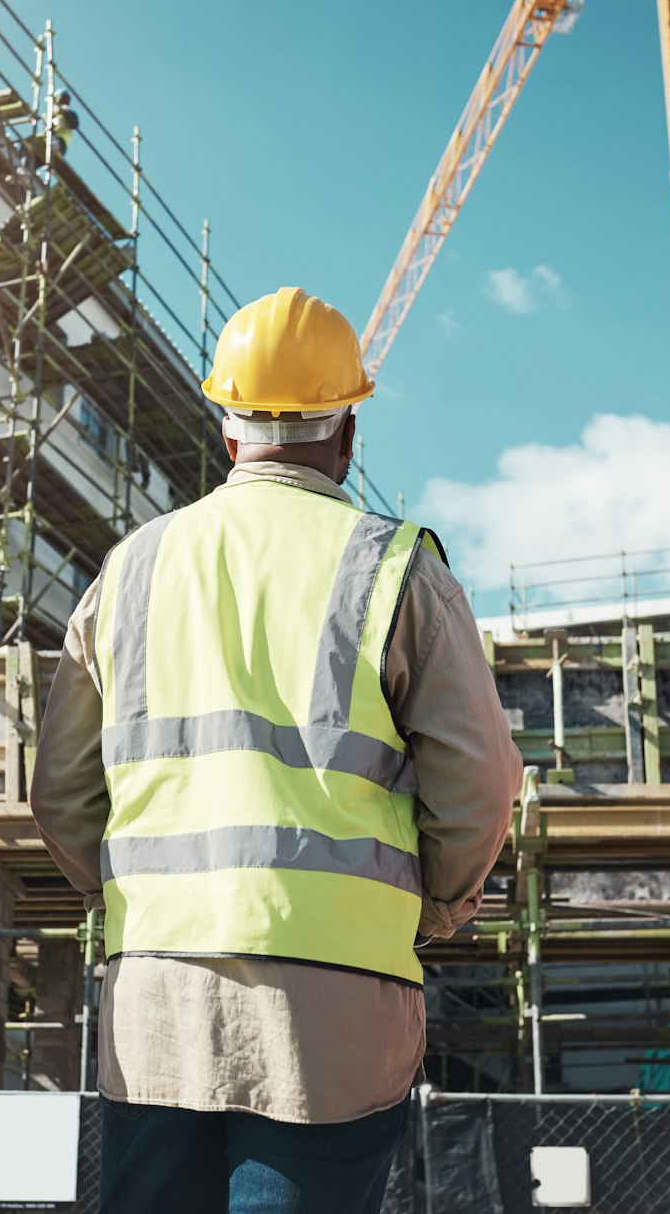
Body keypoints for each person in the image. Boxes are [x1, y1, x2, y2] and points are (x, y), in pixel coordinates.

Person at [31, 287, 520, 1214]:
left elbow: (61, 792)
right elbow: (479, 783)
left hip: (158, 986)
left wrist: (135, 896)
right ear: (347, 438)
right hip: (335, 995)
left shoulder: (128, 569)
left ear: (228, 434)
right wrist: (434, 909)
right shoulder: (397, 567)